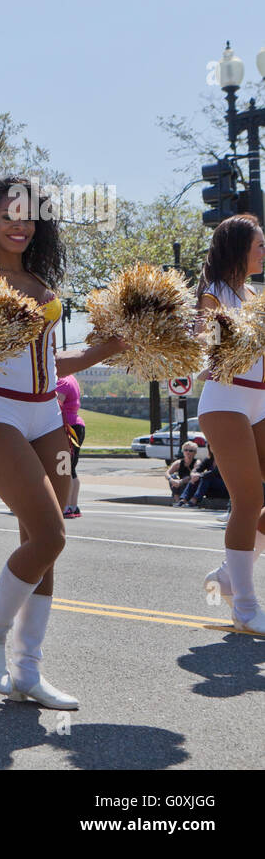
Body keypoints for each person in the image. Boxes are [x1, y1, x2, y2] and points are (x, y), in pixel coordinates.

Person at [0, 177, 125, 710]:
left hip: (49, 416)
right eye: (9, 215)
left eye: (29, 215)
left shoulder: (41, 282)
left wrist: (110, 346)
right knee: (50, 536)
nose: (20, 224)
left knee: (44, 547)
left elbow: (51, 365)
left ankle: (28, 671)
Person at [195, 216, 265, 633]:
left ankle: (226, 575)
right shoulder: (214, 294)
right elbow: (206, 347)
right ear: (240, 248)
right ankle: (244, 607)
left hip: (259, 400)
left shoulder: (254, 294)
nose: (263, 251)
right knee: (248, 498)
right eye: (259, 245)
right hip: (226, 400)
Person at [56, 372, 84, 518]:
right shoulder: (71, 378)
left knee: (64, 467)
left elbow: (57, 406)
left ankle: (65, 505)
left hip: (69, 427)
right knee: (71, 468)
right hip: (77, 424)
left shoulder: (62, 381)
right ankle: (73, 506)